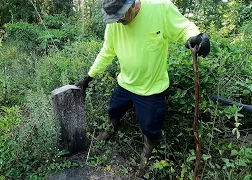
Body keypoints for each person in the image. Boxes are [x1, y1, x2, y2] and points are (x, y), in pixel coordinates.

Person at [75, 0, 210, 165]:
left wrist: (196, 37)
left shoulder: (160, 7)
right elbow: (107, 50)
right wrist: (89, 77)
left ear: (132, 4)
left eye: (119, 16)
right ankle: (111, 131)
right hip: (125, 83)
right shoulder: (114, 19)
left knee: (151, 129)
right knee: (113, 110)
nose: (117, 21)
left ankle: (146, 156)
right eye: (113, 17)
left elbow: (184, 27)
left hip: (151, 89)